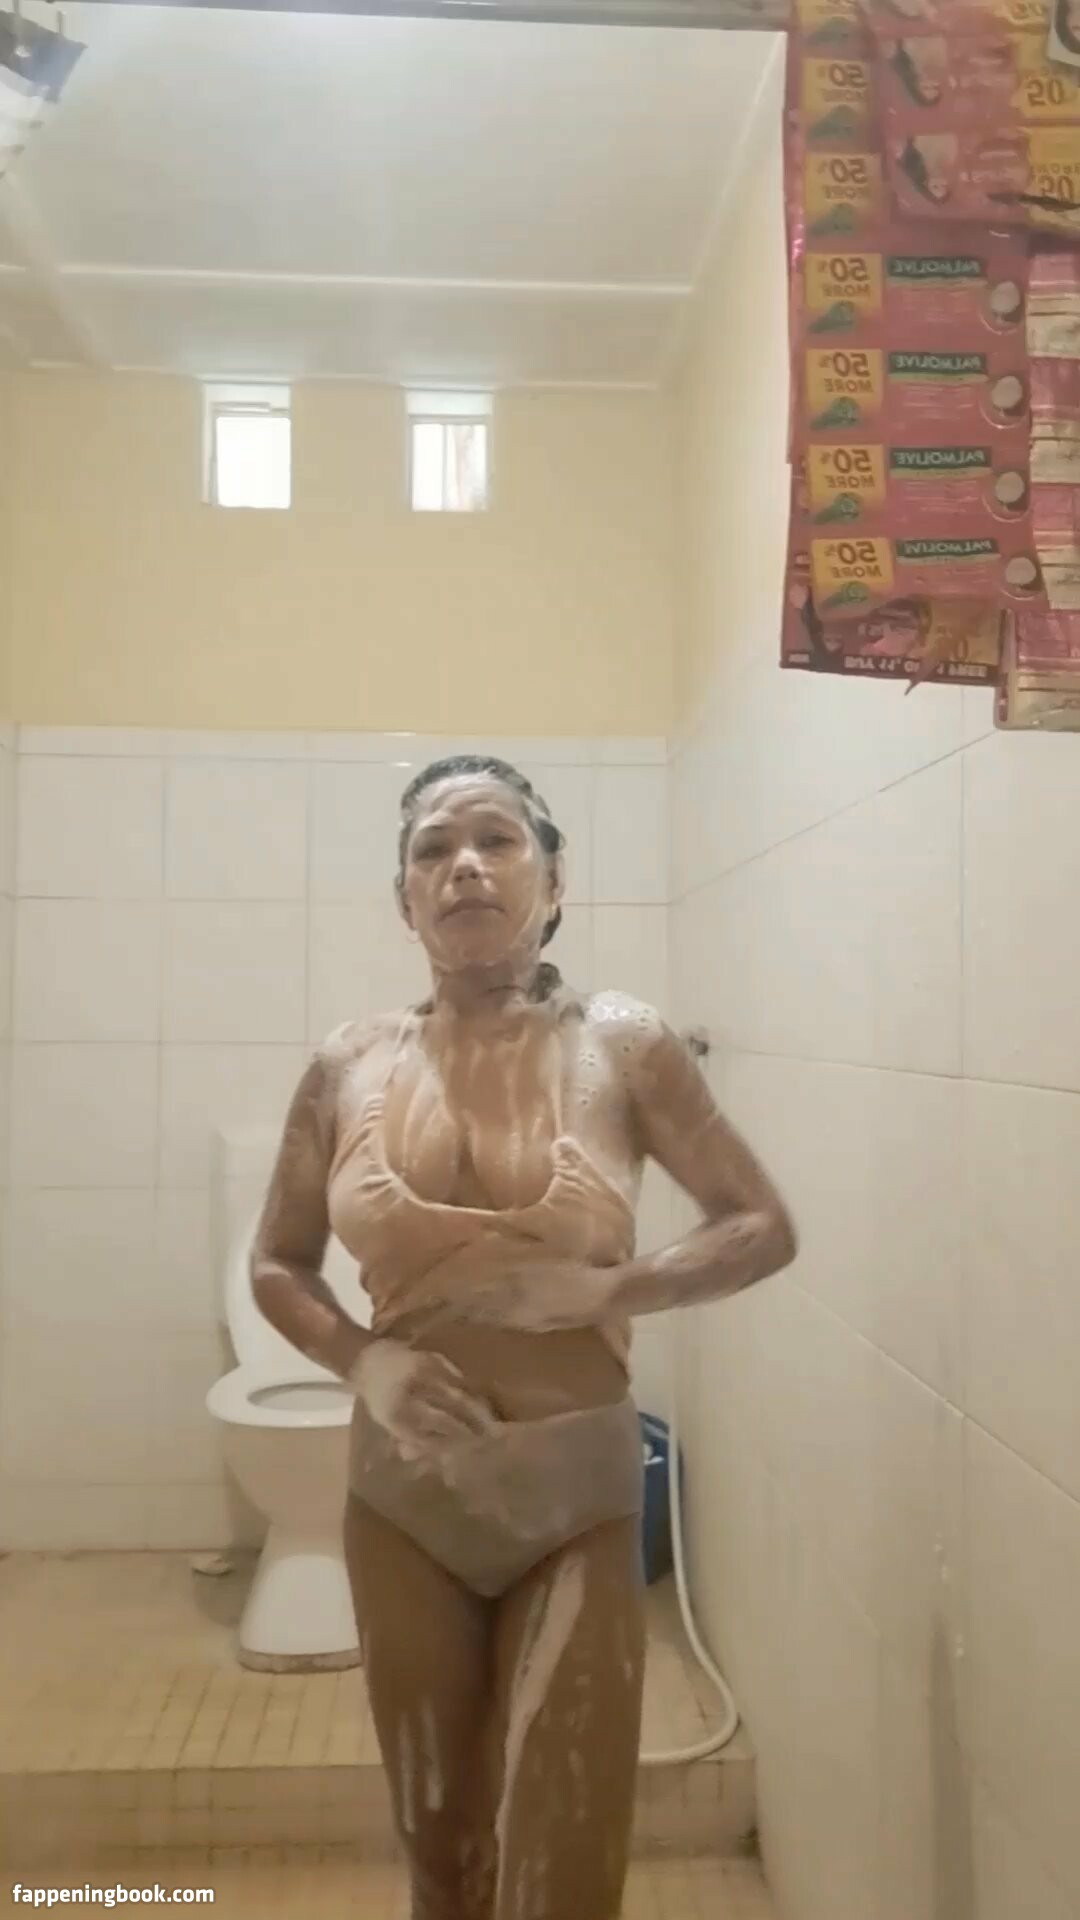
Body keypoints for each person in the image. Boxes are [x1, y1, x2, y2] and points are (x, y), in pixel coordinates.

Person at [250, 754, 797, 1920]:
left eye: (496, 841)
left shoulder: (623, 1044)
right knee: (440, 1850)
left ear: (554, 883)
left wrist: (610, 1291)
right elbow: (276, 1264)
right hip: (404, 1500)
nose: (465, 867)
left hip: (574, 1500)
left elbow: (761, 1227)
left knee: (565, 1858)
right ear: (405, 900)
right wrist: (364, 1361)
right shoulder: (348, 1062)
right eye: (434, 849)